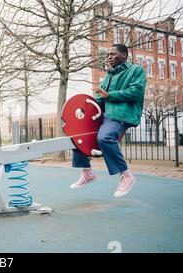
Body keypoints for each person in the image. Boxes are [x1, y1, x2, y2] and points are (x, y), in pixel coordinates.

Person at [70, 44, 146, 197]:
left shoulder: (136, 70)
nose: (109, 57)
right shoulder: (109, 75)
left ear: (124, 55)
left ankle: (126, 175)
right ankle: (87, 173)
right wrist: (83, 108)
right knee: (77, 134)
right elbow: (100, 99)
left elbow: (136, 92)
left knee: (105, 137)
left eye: (113, 54)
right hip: (107, 114)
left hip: (123, 114)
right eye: (107, 55)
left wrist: (109, 95)